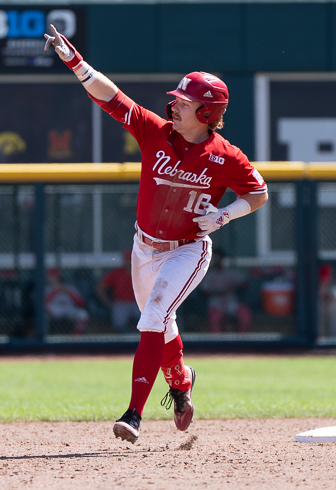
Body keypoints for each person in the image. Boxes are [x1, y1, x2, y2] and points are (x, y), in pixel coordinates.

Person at [44, 25, 268, 443]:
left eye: (184, 102)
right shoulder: (155, 132)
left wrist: (225, 215)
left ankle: (133, 414)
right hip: (144, 248)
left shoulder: (225, 156)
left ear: (207, 113)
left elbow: (259, 193)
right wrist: (76, 63)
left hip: (188, 250)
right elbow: (113, 99)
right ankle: (181, 383)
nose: (174, 105)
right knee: (161, 327)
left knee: (152, 317)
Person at [200, 248, 252, 334]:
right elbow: (203, 292)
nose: (218, 261)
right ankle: (217, 342)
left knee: (245, 313)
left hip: (231, 303)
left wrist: (233, 286)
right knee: (214, 317)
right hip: (216, 304)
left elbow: (245, 283)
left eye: (219, 258)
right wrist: (219, 292)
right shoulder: (208, 275)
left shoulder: (230, 272)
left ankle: (242, 340)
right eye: (215, 258)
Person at [95, 250, 140, 334]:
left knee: (148, 317)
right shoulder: (117, 273)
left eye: (131, 259)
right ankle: (124, 336)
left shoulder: (141, 272)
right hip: (120, 303)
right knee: (119, 322)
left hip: (138, 303)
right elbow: (100, 287)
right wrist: (108, 302)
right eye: (127, 260)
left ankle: (141, 336)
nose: (129, 262)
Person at [44, 268, 88, 336]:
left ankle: (77, 338)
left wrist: (68, 292)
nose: (49, 278)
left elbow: (81, 303)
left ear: (58, 277)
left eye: (52, 276)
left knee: (83, 314)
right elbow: (45, 302)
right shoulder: (47, 288)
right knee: (47, 308)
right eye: (49, 276)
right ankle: (46, 336)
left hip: (69, 309)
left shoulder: (69, 287)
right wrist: (55, 291)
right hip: (56, 310)